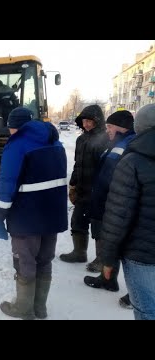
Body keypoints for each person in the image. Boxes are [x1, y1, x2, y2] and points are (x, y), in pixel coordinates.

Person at [0, 107, 68, 320]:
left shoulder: (16, 146)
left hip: (27, 217)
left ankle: (24, 309)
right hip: (52, 214)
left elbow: (7, 184)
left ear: (13, 127)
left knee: (25, 261)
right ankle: (40, 308)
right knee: (44, 260)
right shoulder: (56, 143)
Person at [98, 104, 155, 320]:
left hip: (142, 255)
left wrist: (108, 258)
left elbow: (118, 217)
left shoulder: (133, 161)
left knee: (147, 310)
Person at [83, 110, 136, 299]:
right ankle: (108, 279)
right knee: (109, 242)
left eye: (110, 127)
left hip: (120, 204)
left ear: (122, 127)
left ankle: (137, 293)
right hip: (107, 202)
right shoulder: (115, 144)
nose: (108, 131)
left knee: (128, 248)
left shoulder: (130, 145)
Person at [60, 105, 109, 264]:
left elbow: (107, 167)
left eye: (90, 121)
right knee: (78, 221)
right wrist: (73, 184)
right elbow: (77, 164)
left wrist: (102, 189)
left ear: (98, 121)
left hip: (98, 191)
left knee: (98, 226)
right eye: (84, 121)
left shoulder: (105, 139)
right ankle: (79, 253)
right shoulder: (81, 139)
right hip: (82, 189)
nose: (86, 124)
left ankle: (101, 260)